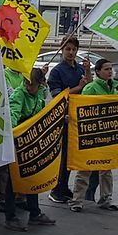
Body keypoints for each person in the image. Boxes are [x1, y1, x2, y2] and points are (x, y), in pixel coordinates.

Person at [0, 67, 56, 230]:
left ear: (39, 84)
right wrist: (16, 133)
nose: (28, 87)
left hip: (32, 139)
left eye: (32, 84)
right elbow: (13, 115)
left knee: (33, 175)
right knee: (13, 180)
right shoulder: (19, 94)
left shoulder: (41, 92)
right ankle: (10, 216)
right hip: (18, 140)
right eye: (26, 83)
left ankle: (35, 213)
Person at [67, 58, 118, 213]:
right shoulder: (91, 88)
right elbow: (83, 110)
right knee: (85, 169)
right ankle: (77, 201)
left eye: (111, 68)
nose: (110, 71)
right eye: (106, 69)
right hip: (91, 134)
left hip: (107, 135)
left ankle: (106, 198)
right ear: (98, 72)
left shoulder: (114, 88)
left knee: (106, 169)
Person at [46, 37, 90, 204]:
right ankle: (56, 188)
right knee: (62, 155)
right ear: (62, 49)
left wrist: (87, 71)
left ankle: (64, 186)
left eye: (73, 49)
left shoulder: (79, 68)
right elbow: (58, 95)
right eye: (68, 49)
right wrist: (78, 87)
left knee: (71, 155)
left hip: (77, 116)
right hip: (63, 116)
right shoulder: (57, 71)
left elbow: (88, 86)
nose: (71, 53)